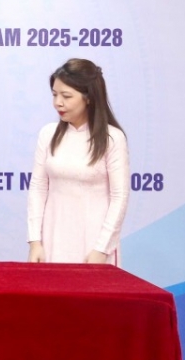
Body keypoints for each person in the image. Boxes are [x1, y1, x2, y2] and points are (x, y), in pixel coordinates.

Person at [27, 58, 129, 265]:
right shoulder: (48, 134)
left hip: (94, 246)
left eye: (66, 96)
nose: (58, 103)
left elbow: (119, 197)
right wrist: (35, 242)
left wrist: (101, 249)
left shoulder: (112, 138)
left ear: (89, 98)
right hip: (52, 241)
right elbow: (38, 188)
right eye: (55, 95)